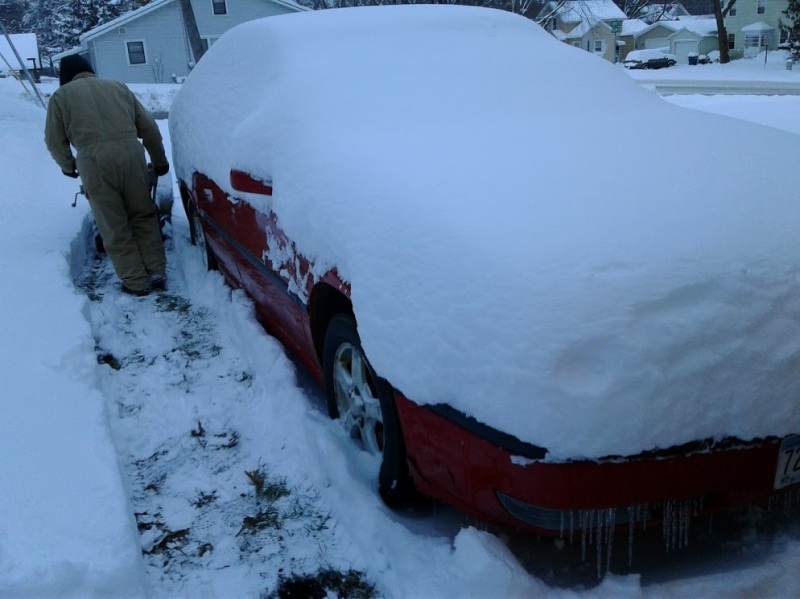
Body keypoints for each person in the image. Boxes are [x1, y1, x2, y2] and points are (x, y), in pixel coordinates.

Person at [45, 55, 170, 296]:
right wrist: (159, 161)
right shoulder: (117, 87)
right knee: (143, 214)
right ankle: (156, 271)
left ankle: (135, 281)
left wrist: (68, 166)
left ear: (64, 77)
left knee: (114, 224)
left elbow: (54, 140)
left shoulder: (60, 97)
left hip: (94, 162)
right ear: (89, 70)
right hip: (131, 155)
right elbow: (149, 127)